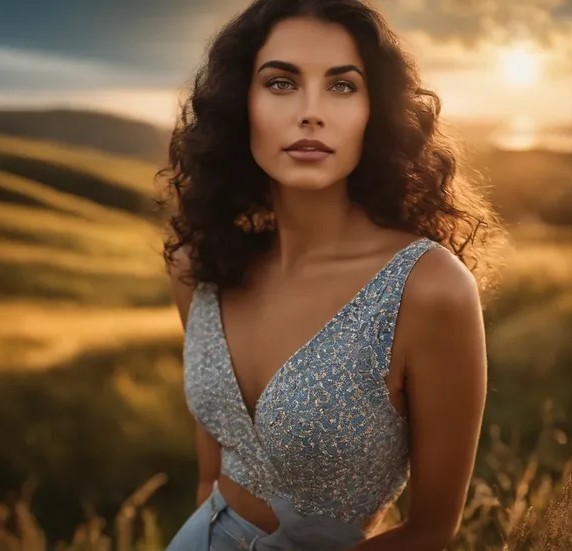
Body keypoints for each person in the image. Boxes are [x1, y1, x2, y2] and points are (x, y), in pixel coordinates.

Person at [158, 0, 506, 549]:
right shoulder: (201, 267)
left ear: (376, 111)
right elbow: (211, 477)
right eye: (280, 84)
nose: (311, 112)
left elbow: (432, 531)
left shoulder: (427, 288)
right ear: (239, 103)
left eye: (342, 86)